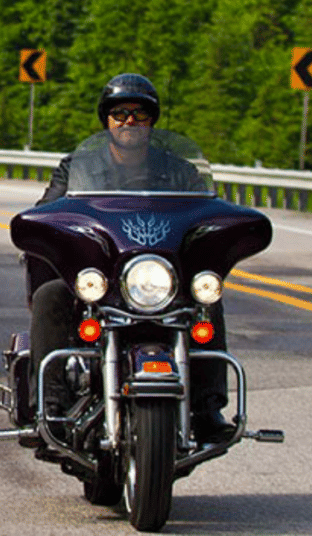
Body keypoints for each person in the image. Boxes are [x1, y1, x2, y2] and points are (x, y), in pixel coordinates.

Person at [28, 73, 232, 444]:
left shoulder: (180, 171)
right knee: (50, 296)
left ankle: (207, 408)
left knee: (209, 301)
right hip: (103, 278)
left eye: (139, 113)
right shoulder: (79, 167)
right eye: (120, 113)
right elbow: (48, 209)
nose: (129, 121)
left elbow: (206, 211)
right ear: (106, 119)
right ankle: (51, 405)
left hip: (159, 280)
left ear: (152, 120)